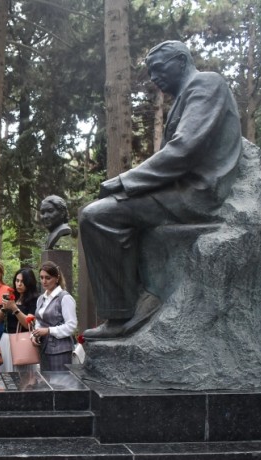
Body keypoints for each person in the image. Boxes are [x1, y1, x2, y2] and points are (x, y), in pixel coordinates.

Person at [80, 40, 241, 341]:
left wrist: (124, 181)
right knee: (102, 211)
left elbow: (183, 149)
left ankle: (124, 313)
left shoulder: (206, 84)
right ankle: (139, 298)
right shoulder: (185, 96)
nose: (154, 78)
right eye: (151, 72)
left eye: (158, 69)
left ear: (180, 61)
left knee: (97, 216)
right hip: (179, 189)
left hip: (196, 193)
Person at [32, 262, 77, 371]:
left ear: (57, 278)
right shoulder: (41, 299)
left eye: (48, 278)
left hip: (61, 350)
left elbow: (71, 326)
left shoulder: (65, 298)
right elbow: (39, 321)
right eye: (41, 277)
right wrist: (35, 335)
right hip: (44, 348)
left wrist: (48, 330)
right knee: (46, 380)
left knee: (60, 381)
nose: (44, 281)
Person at [0, 268, 40, 372]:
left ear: (29, 283)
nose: (19, 284)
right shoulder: (13, 298)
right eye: (17, 281)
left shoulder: (34, 299)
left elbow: (29, 324)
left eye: (22, 281)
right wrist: (4, 308)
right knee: (6, 373)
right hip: (7, 339)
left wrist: (14, 308)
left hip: (23, 340)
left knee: (22, 374)